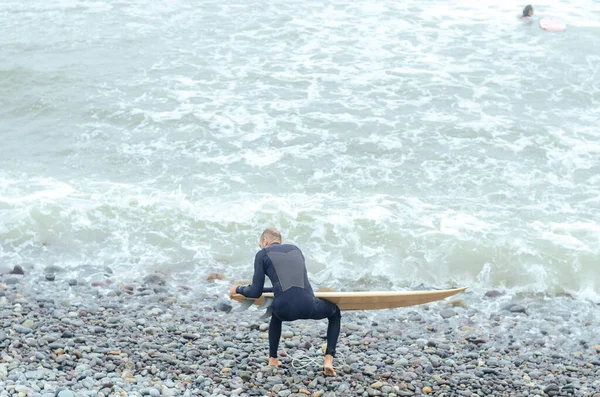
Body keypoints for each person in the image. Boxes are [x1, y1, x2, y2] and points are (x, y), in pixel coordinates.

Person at [229, 228, 341, 376]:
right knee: (335, 313)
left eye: (261, 244)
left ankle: (273, 359)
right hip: (309, 306)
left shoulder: (262, 254)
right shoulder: (296, 250)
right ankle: (328, 359)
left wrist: (238, 289)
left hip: (284, 311)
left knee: (276, 313)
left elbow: (255, 292)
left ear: (265, 241)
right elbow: (290, 285)